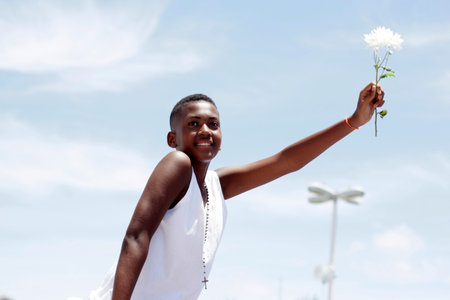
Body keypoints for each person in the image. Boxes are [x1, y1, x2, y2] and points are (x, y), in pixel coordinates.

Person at [89, 82, 385, 300]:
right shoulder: (177, 164)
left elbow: (285, 162)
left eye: (213, 124)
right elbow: (136, 236)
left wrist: (354, 121)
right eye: (193, 124)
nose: (205, 130)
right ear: (172, 138)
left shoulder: (217, 186)